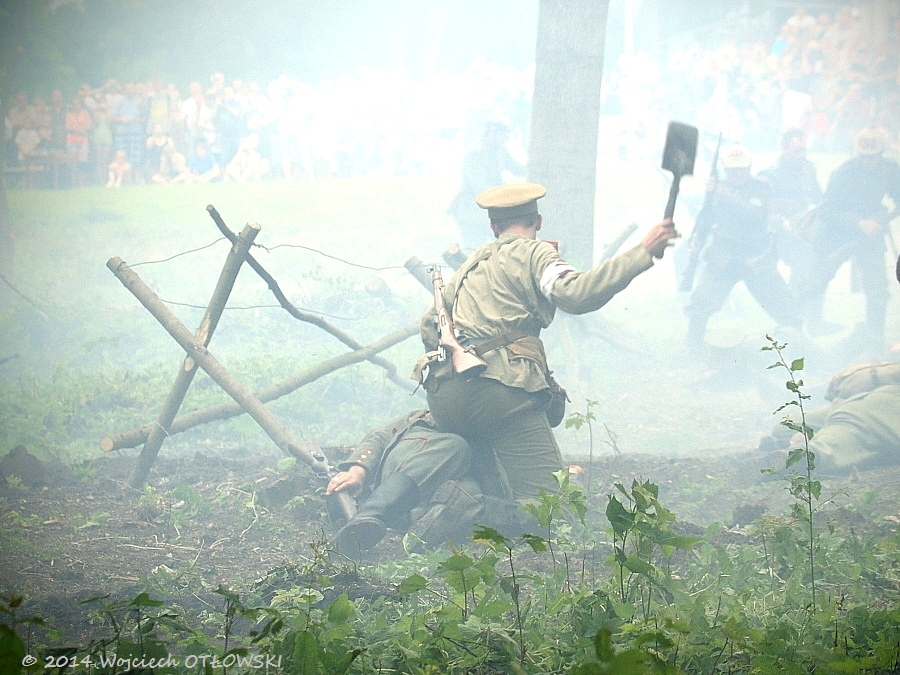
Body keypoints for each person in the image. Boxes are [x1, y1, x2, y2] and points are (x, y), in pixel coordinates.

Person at [412, 183, 678, 501]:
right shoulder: (536, 253)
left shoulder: (472, 263)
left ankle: (457, 510)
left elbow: (430, 324)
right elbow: (576, 294)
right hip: (501, 393)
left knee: (495, 490)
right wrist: (643, 251)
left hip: (446, 399)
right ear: (537, 221)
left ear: (494, 227)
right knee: (551, 508)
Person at [326, 409, 530, 555]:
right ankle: (370, 514)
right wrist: (357, 471)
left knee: (467, 493)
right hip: (411, 460)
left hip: (437, 498)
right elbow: (380, 436)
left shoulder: (512, 433)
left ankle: (414, 528)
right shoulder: (422, 416)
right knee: (456, 446)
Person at [684, 144, 802, 347]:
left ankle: (801, 344)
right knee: (701, 303)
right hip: (724, 255)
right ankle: (692, 345)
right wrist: (698, 241)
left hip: (755, 256)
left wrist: (722, 194)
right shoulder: (717, 190)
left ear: (749, 168)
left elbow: (754, 214)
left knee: (785, 306)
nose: (737, 174)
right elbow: (707, 217)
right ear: (726, 170)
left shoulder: (760, 188)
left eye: (741, 169)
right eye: (732, 170)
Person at [799, 126, 900, 353]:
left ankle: (875, 338)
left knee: (877, 288)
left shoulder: (890, 170)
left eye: (872, 157)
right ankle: (809, 327)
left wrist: (881, 218)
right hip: (837, 233)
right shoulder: (842, 173)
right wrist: (859, 222)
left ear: (880, 154)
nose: (868, 161)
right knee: (817, 280)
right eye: (864, 157)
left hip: (870, 235)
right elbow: (827, 210)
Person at [448, 121, 526, 252]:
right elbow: (480, 187)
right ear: (491, 134)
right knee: (475, 252)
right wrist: (507, 194)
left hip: (492, 213)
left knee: (508, 247)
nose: (505, 139)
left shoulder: (500, 150)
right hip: (471, 212)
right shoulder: (474, 155)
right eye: (502, 136)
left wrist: (537, 167)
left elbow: (516, 168)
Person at [757, 128, 822, 284]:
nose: (802, 155)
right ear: (784, 149)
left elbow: (819, 198)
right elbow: (762, 207)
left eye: (804, 150)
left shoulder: (809, 169)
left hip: (802, 226)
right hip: (776, 230)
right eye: (797, 150)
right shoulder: (770, 175)